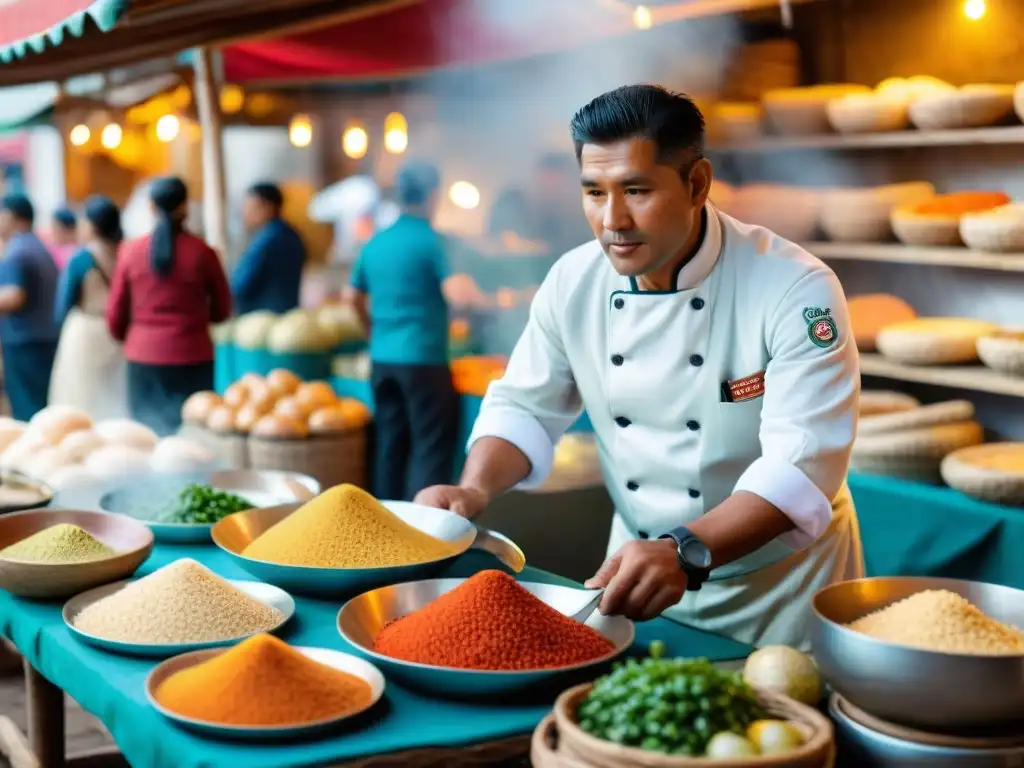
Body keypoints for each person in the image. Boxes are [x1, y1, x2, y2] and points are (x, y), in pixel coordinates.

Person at [415, 85, 863, 650]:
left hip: (778, 590)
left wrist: (683, 550)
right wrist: (472, 491)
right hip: (635, 576)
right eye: (594, 193)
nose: (612, 220)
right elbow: (524, 405)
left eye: (636, 189)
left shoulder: (796, 289)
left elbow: (800, 467)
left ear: (697, 183)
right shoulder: (572, 282)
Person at [344, 161, 460, 501]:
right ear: (434, 195)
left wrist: (371, 331)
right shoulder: (434, 241)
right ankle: (423, 528)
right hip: (424, 359)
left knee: (390, 445)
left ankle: (386, 523)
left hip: (382, 359)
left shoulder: (376, 242)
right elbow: (458, 294)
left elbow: (351, 297)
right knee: (430, 446)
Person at [107, 177, 232, 435]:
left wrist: (132, 337)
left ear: (151, 207)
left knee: (145, 437)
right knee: (193, 435)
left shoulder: (130, 252)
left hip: (143, 356)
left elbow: (115, 314)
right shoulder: (203, 253)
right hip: (193, 355)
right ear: (185, 207)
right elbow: (222, 310)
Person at [49, 196, 129, 420]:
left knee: (80, 400)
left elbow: (62, 306)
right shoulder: (126, 254)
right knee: (116, 399)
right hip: (119, 334)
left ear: (92, 225)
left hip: (85, 335)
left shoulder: (81, 259)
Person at [0, 194, 60, 421]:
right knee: (39, 405)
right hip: (42, 338)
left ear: (12, 217)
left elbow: (15, 296)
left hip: (25, 341)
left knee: (27, 410)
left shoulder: (18, 251)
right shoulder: (36, 247)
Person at [230, 182, 306, 315]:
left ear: (268, 207)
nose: (246, 213)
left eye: (252, 207)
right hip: (287, 315)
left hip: (262, 319)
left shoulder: (268, 239)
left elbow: (240, 283)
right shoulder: (291, 234)